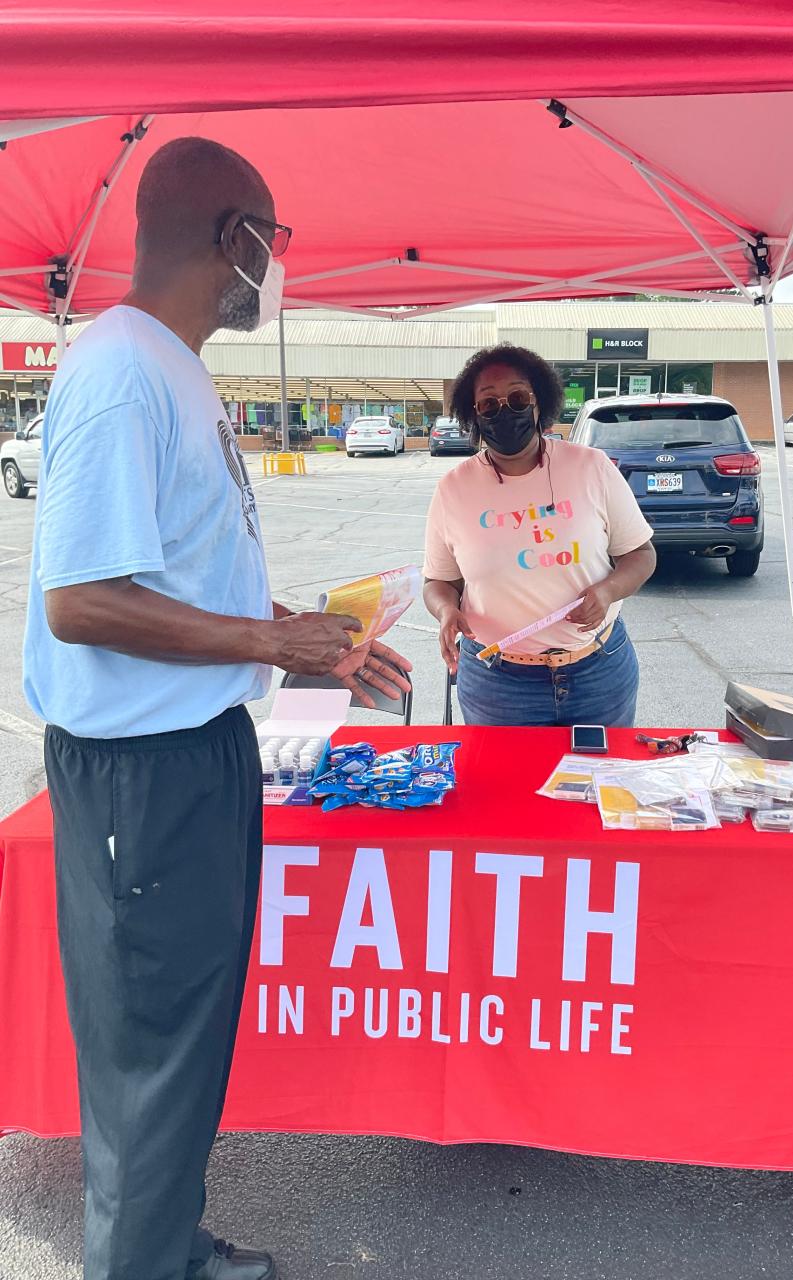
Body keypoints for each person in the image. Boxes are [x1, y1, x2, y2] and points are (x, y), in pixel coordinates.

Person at [23, 136, 411, 1280]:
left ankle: (164, 1246)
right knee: (150, 1049)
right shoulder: (117, 371)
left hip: (195, 752)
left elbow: (173, 571)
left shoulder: (174, 366)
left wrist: (305, 634)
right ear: (230, 235)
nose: (276, 265)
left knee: (183, 1042)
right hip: (140, 778)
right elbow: (82, 600)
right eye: (273, 239)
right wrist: (263, 641)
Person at [423, 344, 656, 726]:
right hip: (498, 684)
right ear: (474, 415)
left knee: (601, 781)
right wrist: (446, 610)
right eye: (488, 404)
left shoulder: (590, 468)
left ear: (538, 404)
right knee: (503, 785)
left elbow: (641, 554)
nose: (505, 410)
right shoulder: (453, 489)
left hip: (599, 671)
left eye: (517, 397)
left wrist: (609, 590)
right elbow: (439, 580)